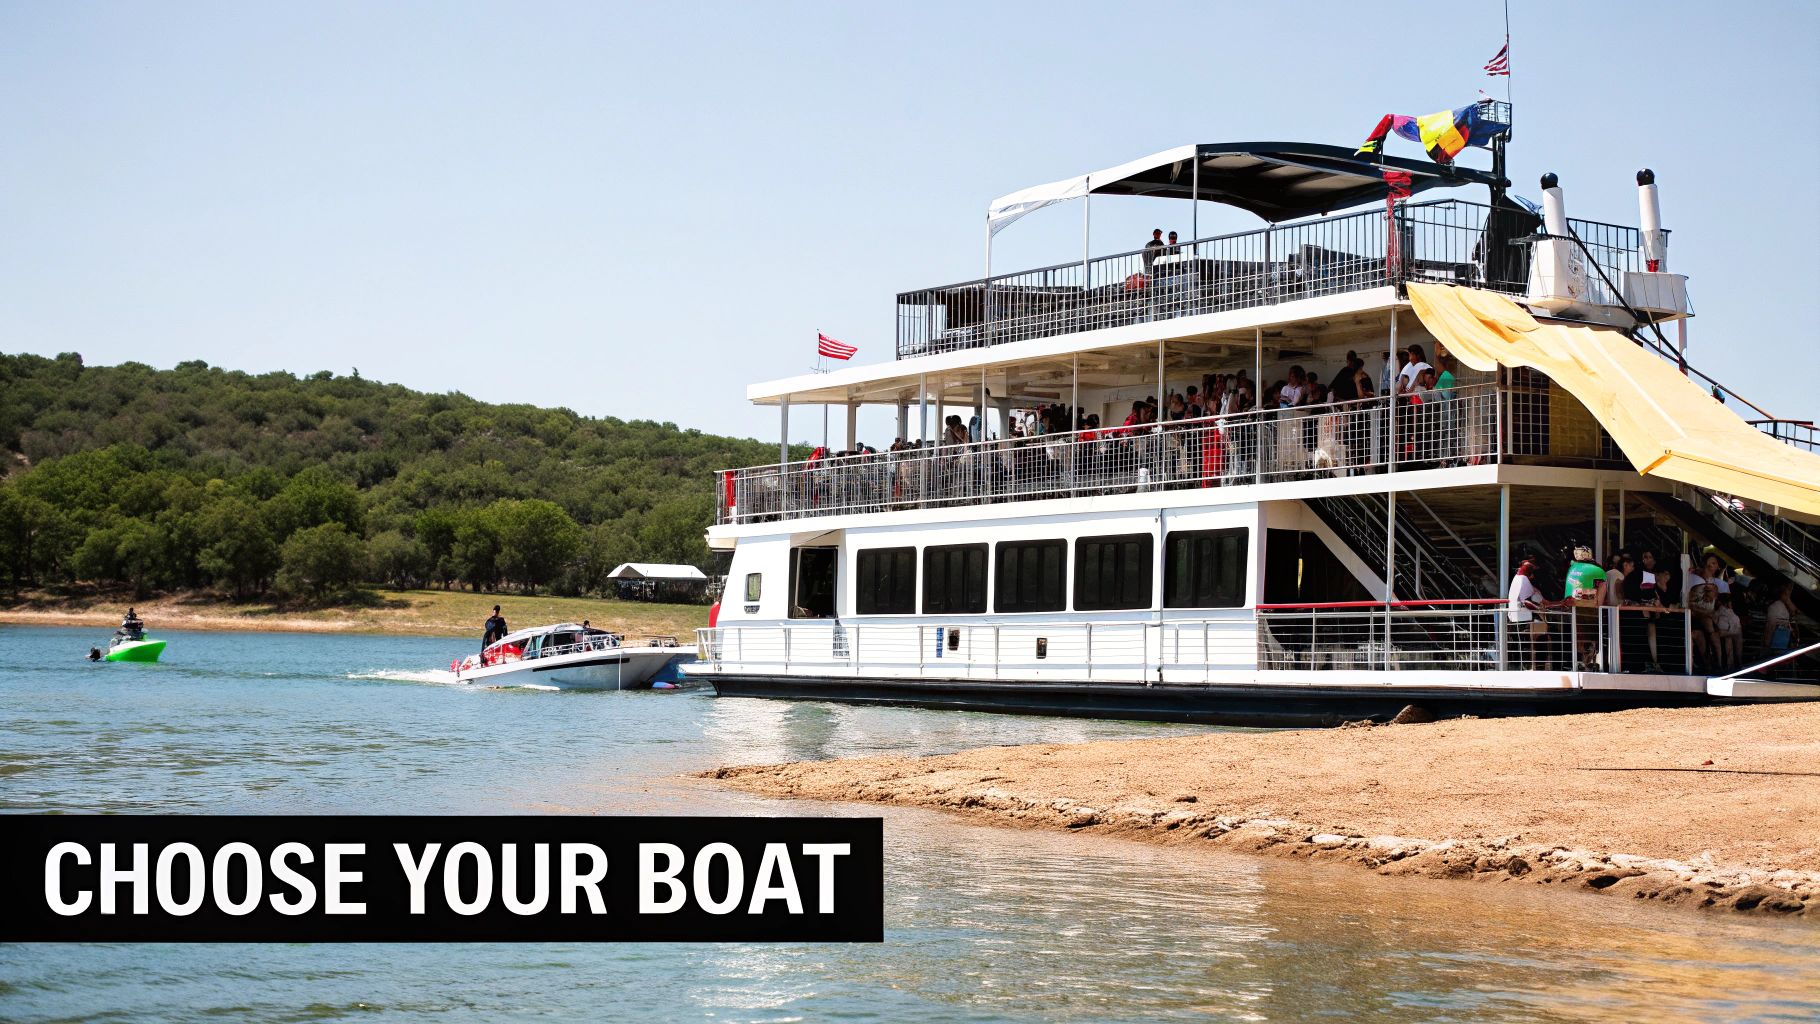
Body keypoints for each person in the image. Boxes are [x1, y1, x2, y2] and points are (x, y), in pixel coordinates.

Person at [1507, 559, 1548, 669]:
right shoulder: (1523, 580)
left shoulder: (1518, 579)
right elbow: (1528, 602)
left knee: (1519, 644)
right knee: (1528, 644)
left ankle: (1522, 667)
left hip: (1518, 617)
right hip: (1525, 618)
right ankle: (1529, 667)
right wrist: (1539, 608)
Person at [1763, 579, 1797, 654]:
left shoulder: (1775, 607)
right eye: (1789, 589)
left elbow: (1770, 627)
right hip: (1780, 644)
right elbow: (1771, 627)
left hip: (1777, 645)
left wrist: (1766, 643)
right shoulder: (1778, 607)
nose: (1790, 591)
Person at [1713, 592, 1743, 671]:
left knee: (1731, 639)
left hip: (1729, 631)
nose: (1732, 603)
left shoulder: (1729, 611)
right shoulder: (1722, 611)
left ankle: (1734, 664)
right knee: (1732, 638)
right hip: (1724, 631)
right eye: (1730, 601)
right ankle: (1735, 664)